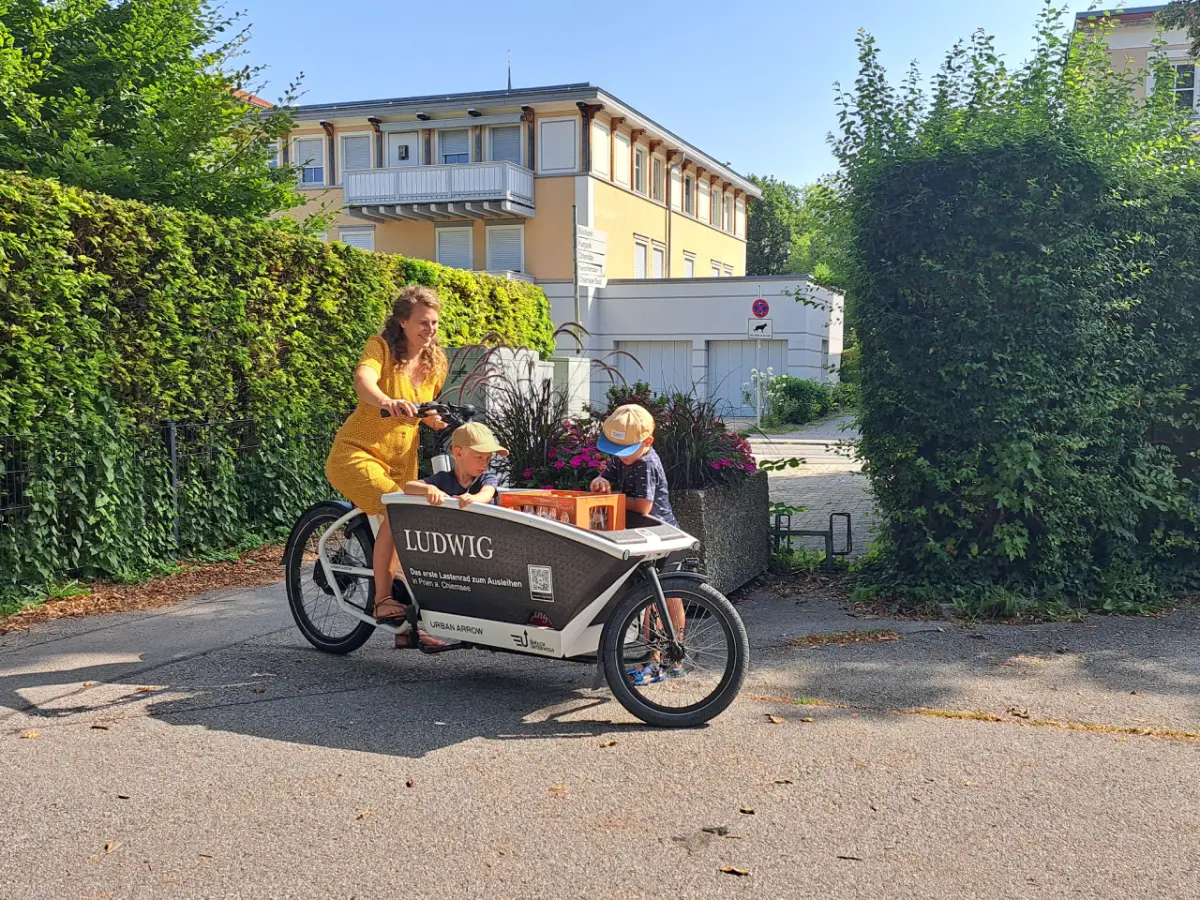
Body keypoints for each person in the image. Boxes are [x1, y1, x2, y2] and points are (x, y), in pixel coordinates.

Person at [324, 285, 448, 649]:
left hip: (400, 462)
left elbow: (425, 408)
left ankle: (407, 626)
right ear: (403, 322)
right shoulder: (380, 347)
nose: (430, 329)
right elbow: (363, 381)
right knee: (398, 512)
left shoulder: (435, 363)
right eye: (424, 322)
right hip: (357, 453)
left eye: (435, 323)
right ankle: (382, 601)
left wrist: (437, 420)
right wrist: (386, 400)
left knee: (413, 528)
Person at [589, 404, 686, 684]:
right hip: (646, 536)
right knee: (657, 600)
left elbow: (643, 506)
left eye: (625, 450)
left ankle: (663, 660)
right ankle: (663, 660)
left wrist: (612, 499)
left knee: (662, 600)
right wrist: (600, 482)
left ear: (647, 443)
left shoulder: (645, 462)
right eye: (615, 451)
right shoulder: (626, 457)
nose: (619, 457)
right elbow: (607, 477)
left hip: (660, 536)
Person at [403, 423, 507, 507]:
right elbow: (408, 487)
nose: (485, 463)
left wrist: (474, 499)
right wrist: (429, 489)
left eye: (488, 458)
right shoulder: (443, 478)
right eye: (479, 457)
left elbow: (487, 494)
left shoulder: (487, 479)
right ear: (459, 453)